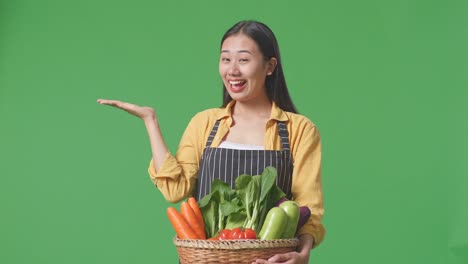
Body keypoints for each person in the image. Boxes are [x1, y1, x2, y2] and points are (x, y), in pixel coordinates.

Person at [98, 20, 325, 264]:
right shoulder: (204, 123)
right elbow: (176, 189)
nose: (232, 70)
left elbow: (307, 206)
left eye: (244, 60)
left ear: (269, 66)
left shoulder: (298, 129)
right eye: (226, 59)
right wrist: (150, 121)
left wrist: (303, 255)